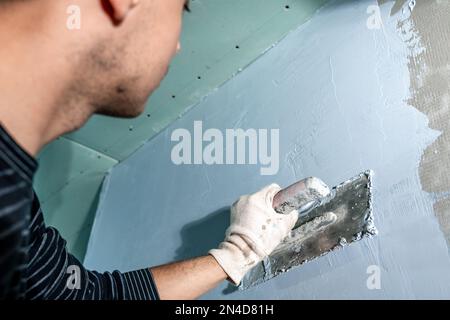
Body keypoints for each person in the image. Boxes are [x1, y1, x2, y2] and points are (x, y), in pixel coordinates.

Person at [0, 0, 299, 300]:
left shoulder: (16, 210)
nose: (178, 46)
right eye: (183, 8)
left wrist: (236, 254)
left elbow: (77, 296)